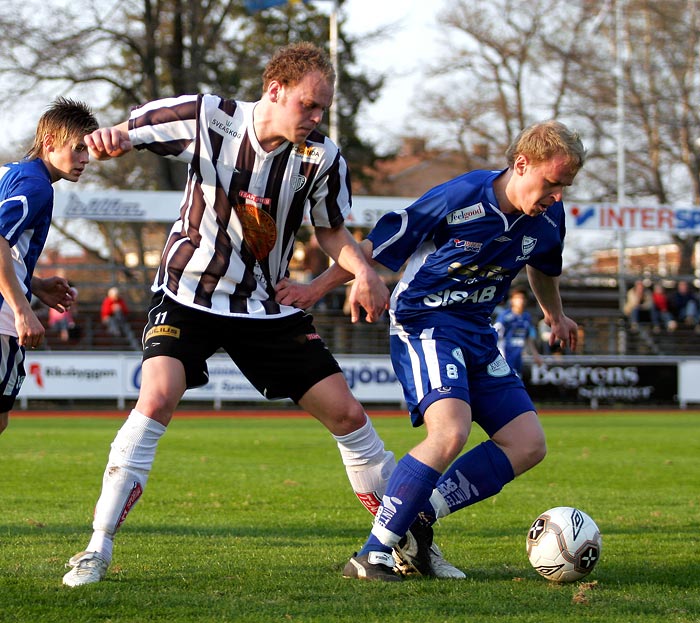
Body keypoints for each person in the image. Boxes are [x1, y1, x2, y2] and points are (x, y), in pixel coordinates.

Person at [62, 42, 461, 587]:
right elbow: (129, 131)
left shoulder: (322, 157)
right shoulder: (209, 117)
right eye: (310, 105)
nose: (317, 118)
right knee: (155, 398)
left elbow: (331, 231)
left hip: (265, 306)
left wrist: (364, 272)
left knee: (349, 418)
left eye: (324, 109)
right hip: (187, 294)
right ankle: (96, 548)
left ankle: (410, 544)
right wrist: (110, 140)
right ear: (274, 91)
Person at [277, 120, 586, 580]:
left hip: (478, 332)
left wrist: (554, 315)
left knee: (527, 444)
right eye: (553, 182)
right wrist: (318, 286)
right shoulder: (459, 197)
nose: (558, 195)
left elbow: (544, 266)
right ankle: (372, 554)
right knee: (450, 432)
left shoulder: (548, 216)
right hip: (425, 321)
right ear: (522, 164)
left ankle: (417, 520)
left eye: (566, 186)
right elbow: (375, 247)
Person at [0, 98, 97, 435]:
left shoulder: (12, 172)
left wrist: (35, 284)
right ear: (50, 143)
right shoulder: (36, 187)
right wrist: (22, 309)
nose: (85, 159)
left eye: (89, 151)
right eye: (79, 148)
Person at [493, 285, 543, 376]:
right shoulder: (505, 317)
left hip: (518, 357)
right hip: (505, 356)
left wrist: (535, 354)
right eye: (518, 298)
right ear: (512, 300)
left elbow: (528, 338)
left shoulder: (526, 317)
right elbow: (496, 335)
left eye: (523, 298)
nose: (521, 301)